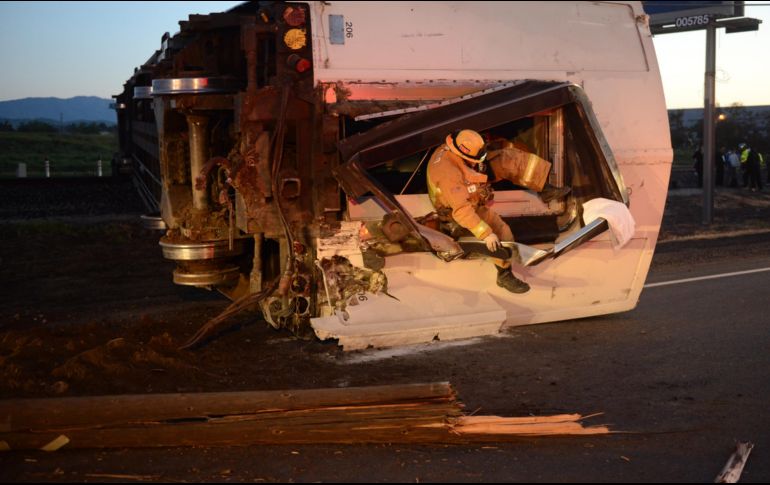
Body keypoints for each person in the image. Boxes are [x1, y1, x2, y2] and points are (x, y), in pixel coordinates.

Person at [426, 130, 569, 294]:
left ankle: (545, 188)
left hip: (465, 184)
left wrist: (477, 167)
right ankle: (504, 274)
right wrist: (486, 234)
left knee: (507, 159)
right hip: (455, 208)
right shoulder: (448, 176)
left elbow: (474, 163)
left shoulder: (456, 147)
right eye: (475, 160)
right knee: (500, 232)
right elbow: (461, 210)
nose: (478, 162)